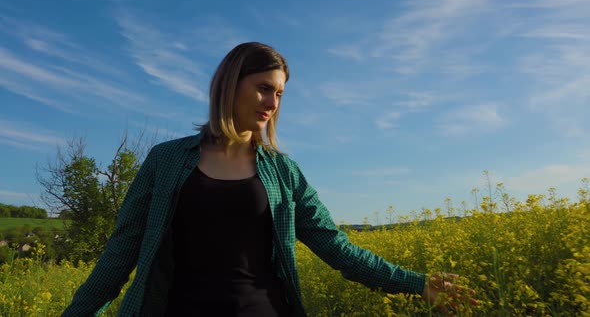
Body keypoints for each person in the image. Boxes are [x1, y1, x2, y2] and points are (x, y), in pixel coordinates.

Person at [62, 42, 476, 316]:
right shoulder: (165, 160)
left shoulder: (283, 171)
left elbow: (336, 245)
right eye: (263, 89)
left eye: (279, 94)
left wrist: (417, 284)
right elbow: (122, 251)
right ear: (229, 84)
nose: (272, 104)